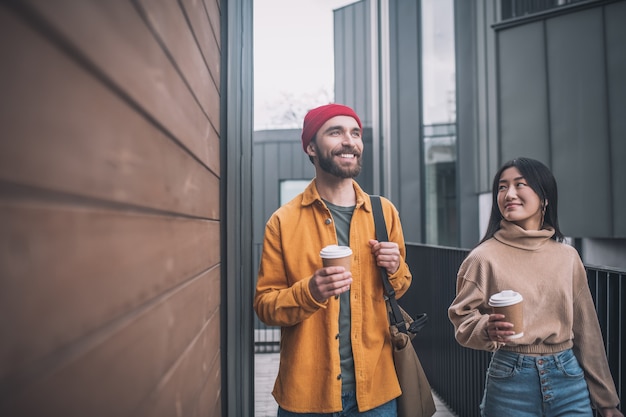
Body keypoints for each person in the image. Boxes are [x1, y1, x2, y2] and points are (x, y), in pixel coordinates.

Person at [254, 103, 412, 416]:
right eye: (335, 132)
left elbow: (401, 286)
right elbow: (265, 307)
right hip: (307, 396)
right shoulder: (283, 222)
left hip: (376, 394)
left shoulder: (384, 212)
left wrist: (395, 268)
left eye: (355, 133)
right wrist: (310, 292)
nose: (349, 140)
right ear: (311, 146)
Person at [448, 157, 622, 417]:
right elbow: (461, 318)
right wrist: (486, 328)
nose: (510, 194)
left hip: (568, 378)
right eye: (502, 187)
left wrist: (607, 402)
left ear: (545, 197)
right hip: (510, 379)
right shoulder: (482, 258)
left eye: (520, 184)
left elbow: (587, 332)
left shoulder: (568, 257)